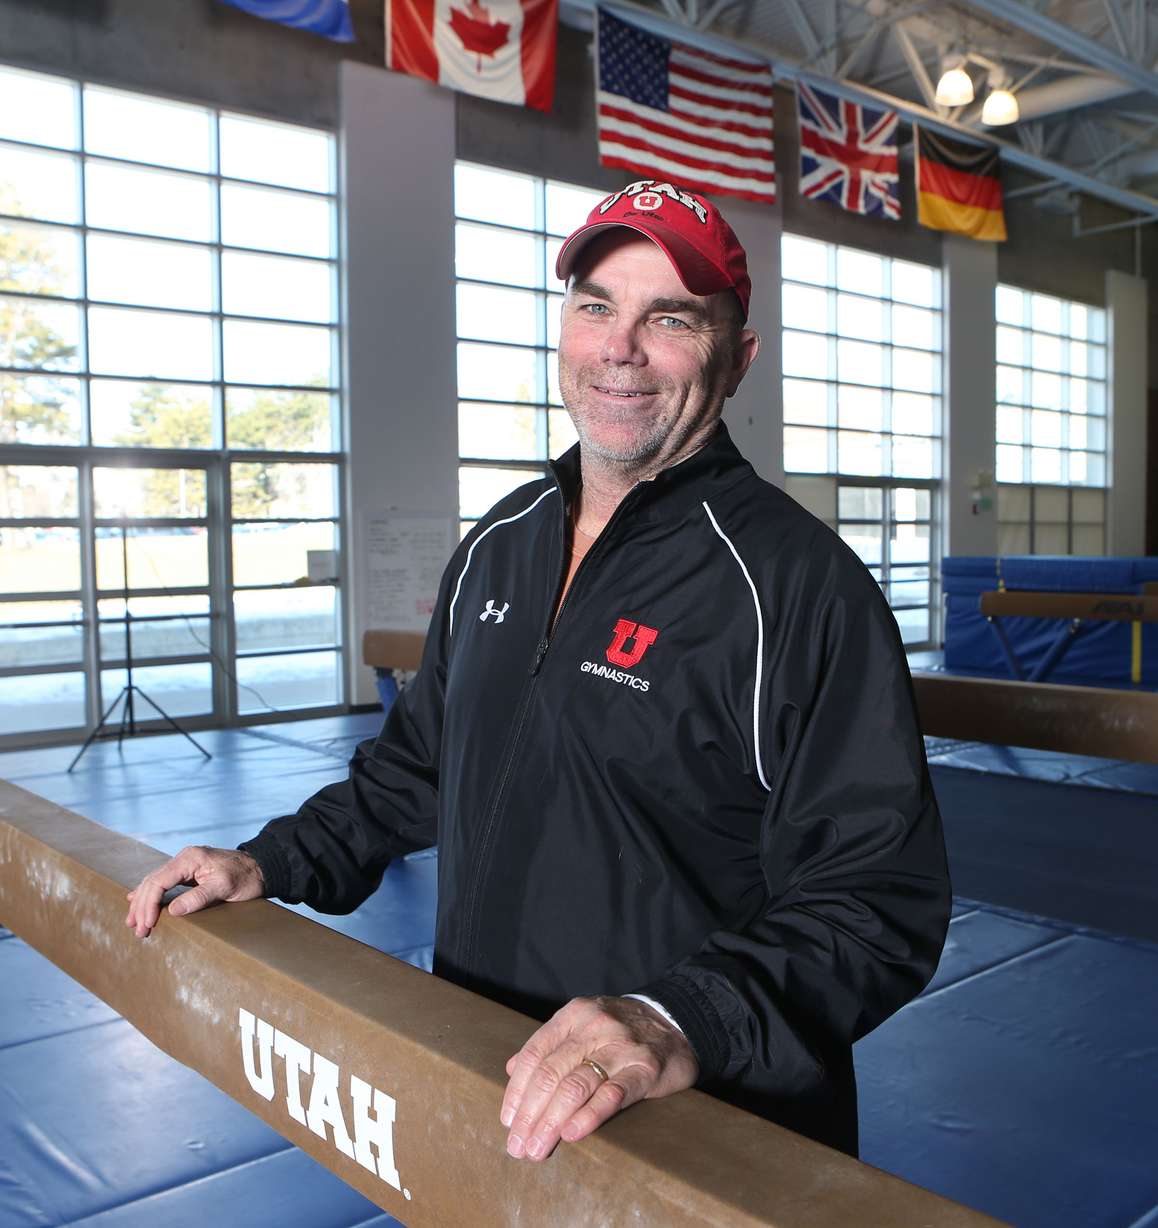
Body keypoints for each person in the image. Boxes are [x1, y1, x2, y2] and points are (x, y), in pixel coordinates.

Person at [126, 179, 951, 1163]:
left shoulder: (798, 587)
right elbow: (420, 766)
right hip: (492, 1086)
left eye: (670, 318)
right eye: (596, 305)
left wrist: (674, 1018)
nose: (620, 347)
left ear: (737, 360)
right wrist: (270, 860)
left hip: (691, 1130)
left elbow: (875, 901)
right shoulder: (502, 541)